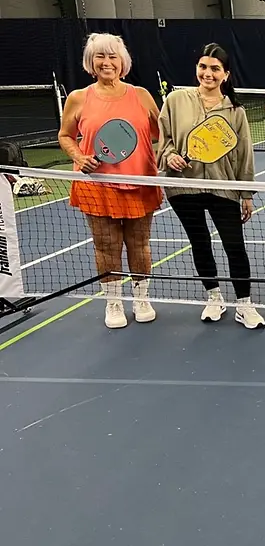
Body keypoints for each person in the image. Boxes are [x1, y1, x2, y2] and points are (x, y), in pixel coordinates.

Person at [157, 43, 265, 329]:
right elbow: (163, 139)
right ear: (197, 69)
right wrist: (170, 157)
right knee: (200, 242)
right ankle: (213, 296)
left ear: (226, 74)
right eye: (204, 67)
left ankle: (244, 304)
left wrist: (246, 194)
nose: (208, 73)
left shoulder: (236, 112)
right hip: (183, 188)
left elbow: (244, 156)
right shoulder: (176, 101)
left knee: (235, 246)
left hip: (223, 187)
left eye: (215, 68)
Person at [59, 32, 161, 329]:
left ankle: (141, 297)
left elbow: (164, 133)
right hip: (97, 185)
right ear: (91, 62)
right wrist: (78, 157)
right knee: (106, 245)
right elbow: (65, 136)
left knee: (139, 244)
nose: (107, 62)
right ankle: (113, 302)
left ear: (122, 62)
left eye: (112, 56)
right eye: (100, 56)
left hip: (139, 181)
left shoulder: (141, 95)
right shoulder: (78, 98)